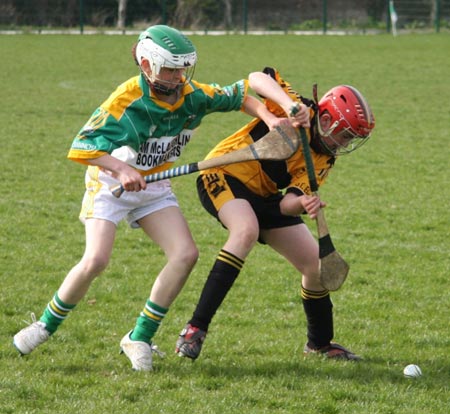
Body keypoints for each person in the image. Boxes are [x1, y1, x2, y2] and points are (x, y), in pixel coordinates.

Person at [13, 27, 307, 371]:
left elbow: (240, 94)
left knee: (185, 254)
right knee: (96, 260)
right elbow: (82, 146)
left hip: (155, 185)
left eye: (183, 69)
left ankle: (139, 336)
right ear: (146, 64)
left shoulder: (193, 94)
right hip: (110, 184)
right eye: (171, 70)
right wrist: (120, 170)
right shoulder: (126, 101)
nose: (179, 77)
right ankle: (44, 325)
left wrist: (272, 119)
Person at [175, 67, 375, 361]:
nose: (345, 143)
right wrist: (288, 105)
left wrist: (303, 204)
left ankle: (319, 344)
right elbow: (257, 77)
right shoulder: (302, 108)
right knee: (245, 230)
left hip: (266, 196)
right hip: (223, 173)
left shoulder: (323, 158)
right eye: (345, 134)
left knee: (315, 266)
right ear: (328, 118)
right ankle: (195, 328)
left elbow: (285, 205)